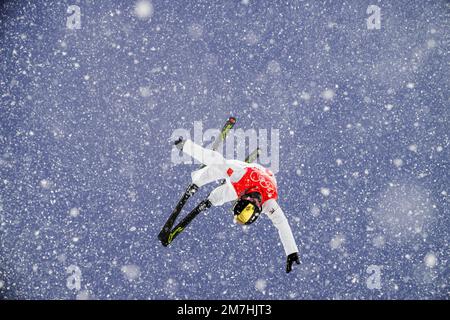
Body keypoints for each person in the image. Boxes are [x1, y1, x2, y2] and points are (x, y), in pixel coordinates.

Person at [174, 137, 300, 273]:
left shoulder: (267, 204)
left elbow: (282, 224)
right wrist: (187, 148)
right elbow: (214, 160)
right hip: (247, 171)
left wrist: (291, 252)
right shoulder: (246, 181)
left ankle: (211, 199)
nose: (256, 201)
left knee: (227, 191)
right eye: (251, 208)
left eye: (249, 210)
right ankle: (204, 187)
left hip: (251, 181)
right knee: (218, 167)